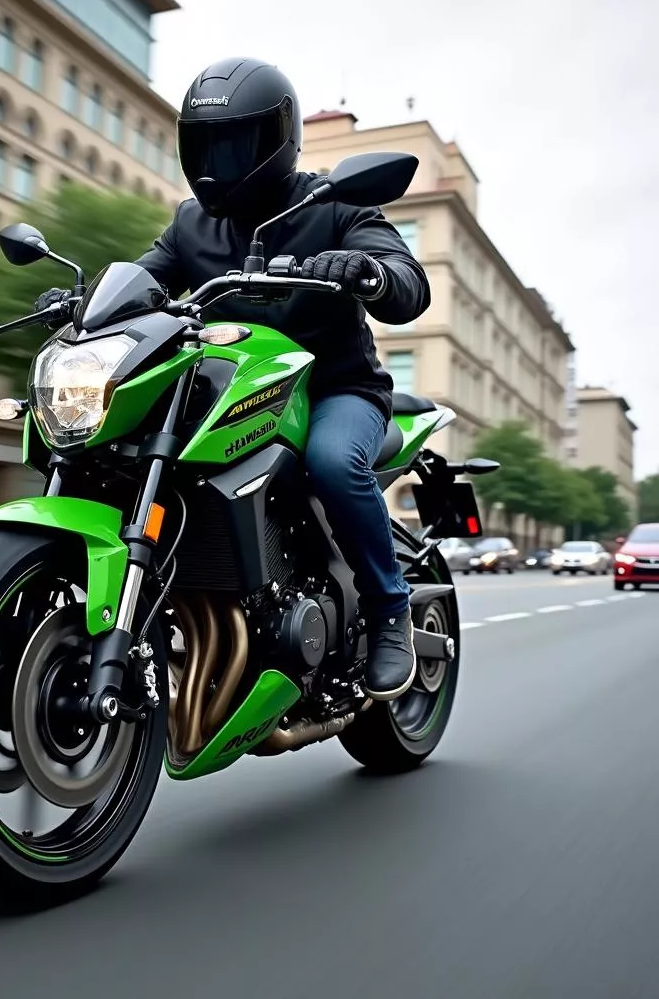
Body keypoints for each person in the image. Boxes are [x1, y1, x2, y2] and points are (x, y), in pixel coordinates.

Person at [34, 57, 430, 701]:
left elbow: (408, 281)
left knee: (333, 462)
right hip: (224, 389)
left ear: (276, 140)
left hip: (334, 390)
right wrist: (84, 304)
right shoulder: (192, 222)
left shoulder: (334, 203)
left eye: (235, 142)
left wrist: (367, 272)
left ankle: (390, 610)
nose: (217, 159)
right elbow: (146, 281)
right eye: (205, 142)